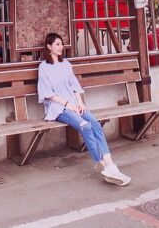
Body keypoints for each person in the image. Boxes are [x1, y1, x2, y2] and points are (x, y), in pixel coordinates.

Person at [37, 32, 131, 186]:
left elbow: (74, 86)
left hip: (75, 104)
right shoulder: (44, 67)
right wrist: (68, 105)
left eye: (61, 44)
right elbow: (48, 94)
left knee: (95, 123)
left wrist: (79, 102)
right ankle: (103, 165)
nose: (61, 47)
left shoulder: (66, 64)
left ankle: (112, 166)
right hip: (58, 107)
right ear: (49, 46)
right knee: (85, 127)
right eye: (57, 44)